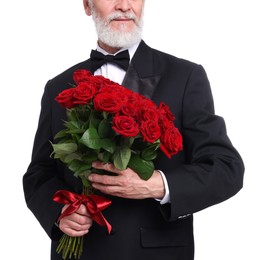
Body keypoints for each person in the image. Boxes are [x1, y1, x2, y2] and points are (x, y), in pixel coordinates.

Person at [23, 1, 244, 260]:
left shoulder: (185, 76)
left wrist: (158, 185)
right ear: (87, 5)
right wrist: (59, 212)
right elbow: (39, 173)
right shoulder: (59, 87)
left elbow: (226, 168)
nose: (124, 6)